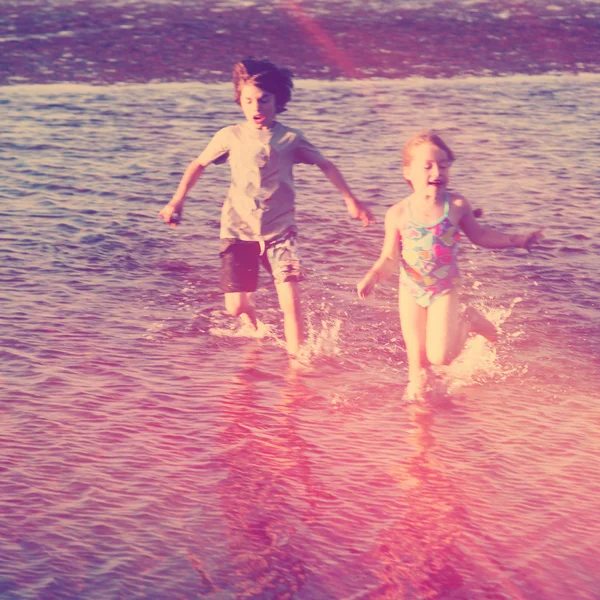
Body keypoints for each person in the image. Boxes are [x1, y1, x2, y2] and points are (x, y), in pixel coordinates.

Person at [159, 59, 374, 356]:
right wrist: (177, 201)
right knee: (234, 307)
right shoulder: (230, 136)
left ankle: (297, 362)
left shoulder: (290, 139)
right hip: (237, 231)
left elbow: (326, 164)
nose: (256, 108)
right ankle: (252, 319)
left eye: (264, 100)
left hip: (280, 231)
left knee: (291, 300)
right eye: (249, 101)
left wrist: (351, 200)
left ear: (277, 101)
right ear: (240, 101)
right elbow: (198, 165)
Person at [356, 131, 543, 399]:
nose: (437, 171)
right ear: (408, 172)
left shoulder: (455, 205)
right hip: (410, 290)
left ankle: (469, 319)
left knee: (440, 356)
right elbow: (389, 259)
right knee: (417, 368)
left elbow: (480, 236)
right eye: (428, 166)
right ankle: (420, 420)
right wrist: (372, 277)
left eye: (443, 165)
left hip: (443, 289)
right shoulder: (398, 213)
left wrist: (518, 240)